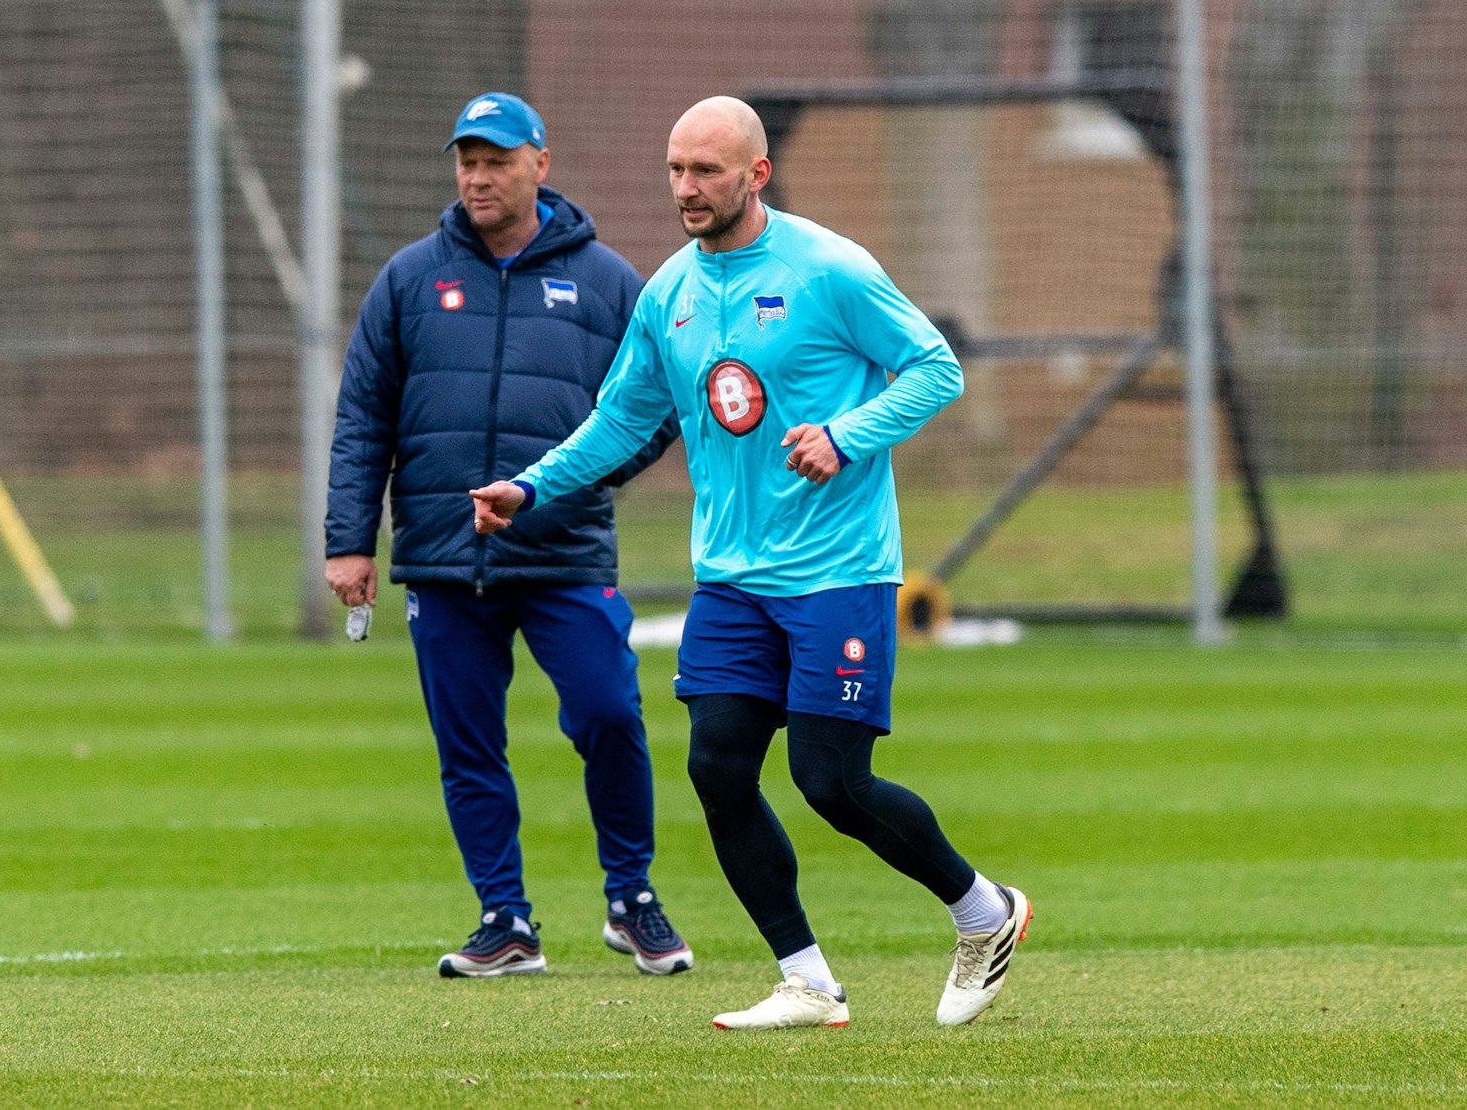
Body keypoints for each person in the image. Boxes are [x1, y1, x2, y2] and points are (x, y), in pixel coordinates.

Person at [471, 96, 1030, 1028]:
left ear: (757, 174)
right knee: (719, 768)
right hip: (732, 580)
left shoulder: (828, 268)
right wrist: (531, 487)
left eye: (707, 171)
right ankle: (806, 979)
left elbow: (936, 368)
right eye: (675, 169)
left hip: (839, 568)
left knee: (831, 782)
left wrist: (846, 435)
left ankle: (984, 910)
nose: (686, 188)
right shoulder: (669, 293)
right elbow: (621, 418)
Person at [326, 91, 690, 980]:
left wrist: (579, 481)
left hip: (566, 553)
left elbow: (661, 405)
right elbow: (363, 416)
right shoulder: (409, 279)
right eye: (468, 161)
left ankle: (631, 896)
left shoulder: (607, 282)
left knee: (609, 714)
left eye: (497, 160)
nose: (479, 177)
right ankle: (505, 917)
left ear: (540, 164)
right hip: (444, 558)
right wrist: (350, 539)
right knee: (468, 745)